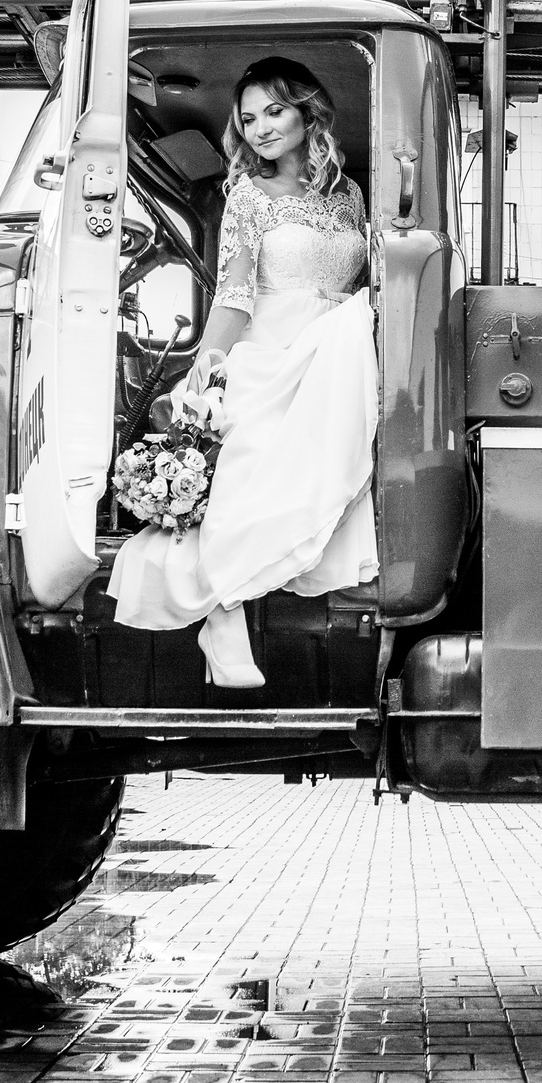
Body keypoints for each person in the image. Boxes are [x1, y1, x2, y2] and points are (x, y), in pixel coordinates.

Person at [107, 56, 379, 687]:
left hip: (335, 350)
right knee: (254, 469)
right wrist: (208, 365)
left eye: (274, 111)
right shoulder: (248, 197)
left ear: (308, 112)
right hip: (273, 349)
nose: (260, 128)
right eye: (249, 118)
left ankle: (238, 601)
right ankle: (224, 611)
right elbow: (235, 295)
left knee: (314, 469)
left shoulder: (347, 195)